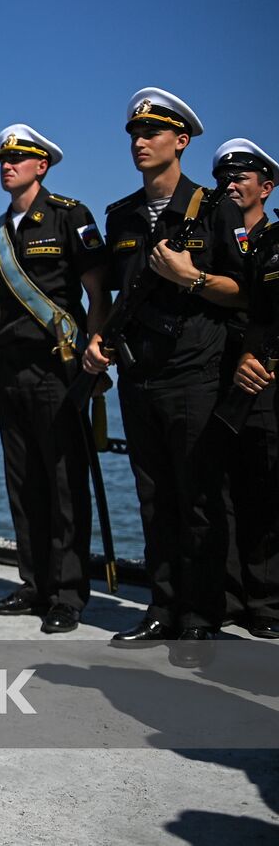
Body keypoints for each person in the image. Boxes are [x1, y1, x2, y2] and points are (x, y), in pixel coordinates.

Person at [82, 88, 244, 654]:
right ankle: (162, 607)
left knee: (199, 495)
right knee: (153, 497)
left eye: (151, 133)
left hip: (196, 371)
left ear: (181, 141)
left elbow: (240, 291)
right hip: (139, 373)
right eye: (133, 134)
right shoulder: (121, 215)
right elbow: (113, 296)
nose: (140, 142)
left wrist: (189, 276)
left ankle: (202, 614)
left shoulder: (216, 207)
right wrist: (96, 338)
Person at [0, 124, 109, 634]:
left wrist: (96, 354)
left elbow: (98, 292)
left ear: (42, 165)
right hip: (11, 368)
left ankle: (68, 594)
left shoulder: (69, 216)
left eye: (17, 158)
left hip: (59, 366)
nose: (6, 165)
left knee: (63, 483)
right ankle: (34, 583)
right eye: (2, 159)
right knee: (23, 481)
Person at [227, 139, 279, 639]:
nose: (233, 182)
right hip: (212, 374)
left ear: (266, 186)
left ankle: (265, 602)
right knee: (219, 490)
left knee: (264, 489)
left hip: (261, 377)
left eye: (243, 175)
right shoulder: (205, 235)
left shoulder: (276, 240)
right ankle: (229, 595)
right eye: (226, 175)